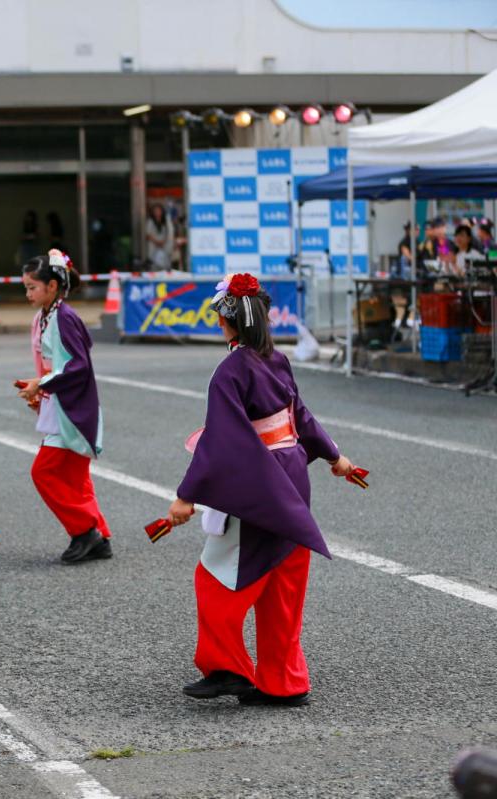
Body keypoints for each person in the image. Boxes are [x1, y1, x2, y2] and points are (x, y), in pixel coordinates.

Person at [164, 273, 356, 707]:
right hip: (291, 473)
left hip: (259, 479)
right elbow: (299, 416)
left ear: (226, 321)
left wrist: (186, 495)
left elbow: (223, 439)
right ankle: (284, 680)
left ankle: (227, 667)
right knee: (283, 579)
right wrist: (333, 456)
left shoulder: (229, 370)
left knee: (216, 576)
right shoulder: (278, 359)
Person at [16, 250, 112, 564]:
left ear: (53, 286)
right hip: (62, 403)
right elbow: (59, 365)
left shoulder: (64, 317)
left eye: (33, 287)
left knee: (44, 472)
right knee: (74, 477)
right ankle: (98, 537)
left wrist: (41, 384)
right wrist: (39, 386)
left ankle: (86, 531)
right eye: (26, 287)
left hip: (71, 407)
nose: (27, 293)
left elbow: (78, 366)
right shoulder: (47, 315)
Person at [146, 203, 174, 271]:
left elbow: (170, 232)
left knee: (165, 263)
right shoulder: (150, 221)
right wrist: (157, 242)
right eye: (155, 211)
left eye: (159, 210)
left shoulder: (166, 221)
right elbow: (148, 234)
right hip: (153, 245)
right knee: (154, 265)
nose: (157, 212)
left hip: (165, 245)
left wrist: (164, 241)